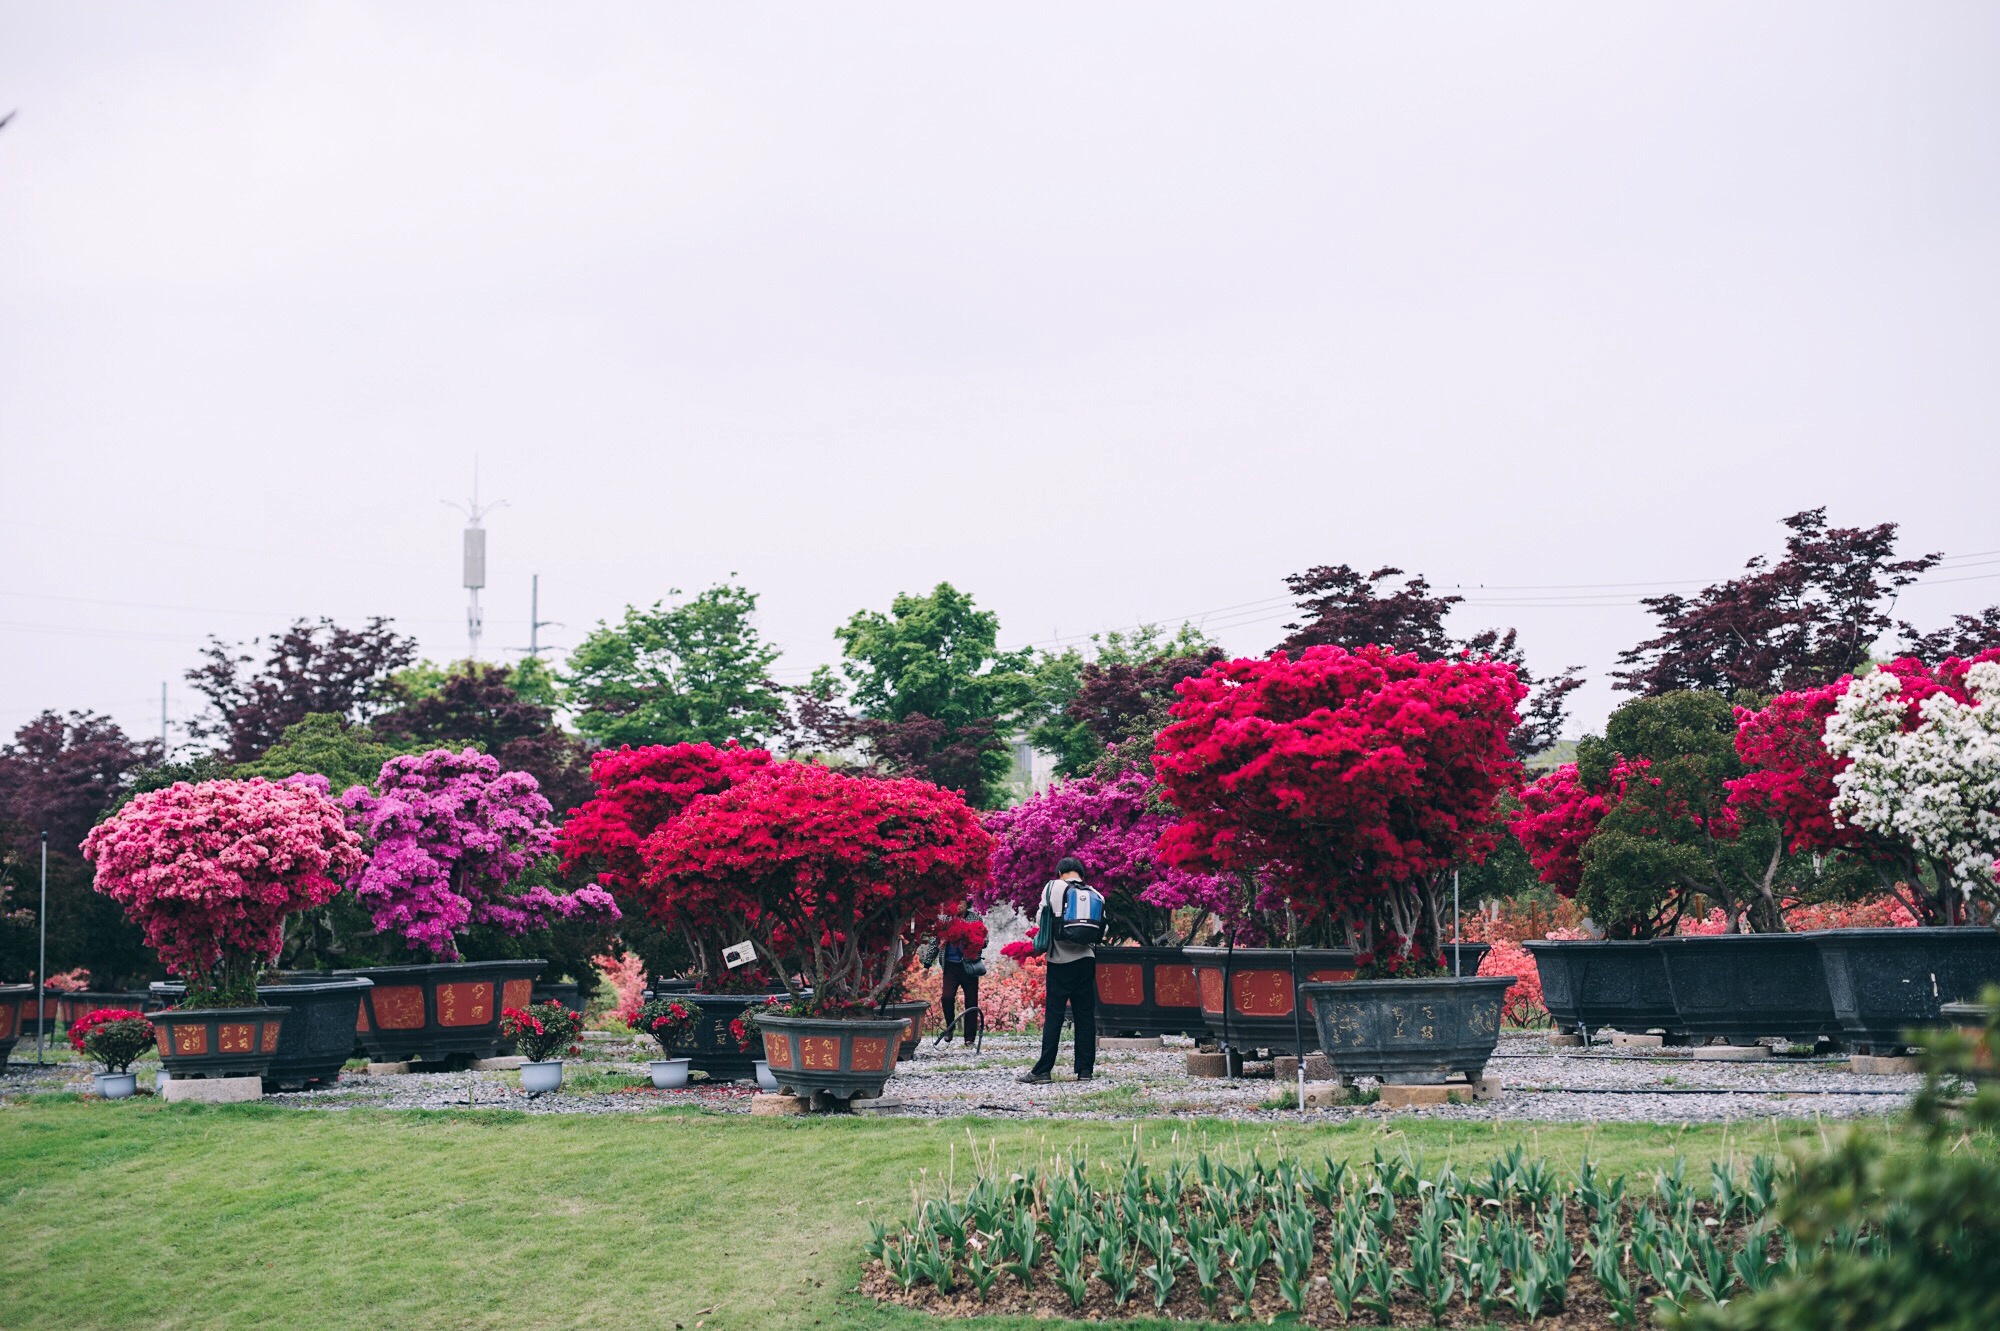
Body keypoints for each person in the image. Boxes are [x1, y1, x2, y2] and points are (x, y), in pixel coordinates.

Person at [1018, 857, 1096, 1083]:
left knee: (1054, 1015)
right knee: (1085, 1016)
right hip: (1086, 959)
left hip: (1060, 960)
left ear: (1061, 871)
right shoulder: (1094, 892)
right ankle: (1085, 1071)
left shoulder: (1053, 887)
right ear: (1080, 873)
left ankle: (1043, 1070)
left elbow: (1042, 918)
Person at [939, 911, 984, 1045]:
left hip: (969, 964)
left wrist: (967, 938)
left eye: (961, 901)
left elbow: (984, 941)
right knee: (946, 997)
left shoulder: (975, 918)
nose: (958, 905)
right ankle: (950, 1027)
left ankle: (969, 1038)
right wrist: (927, 964)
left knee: (971, 1001)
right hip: (950, 966)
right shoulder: (946, 919)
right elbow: (935, 942)